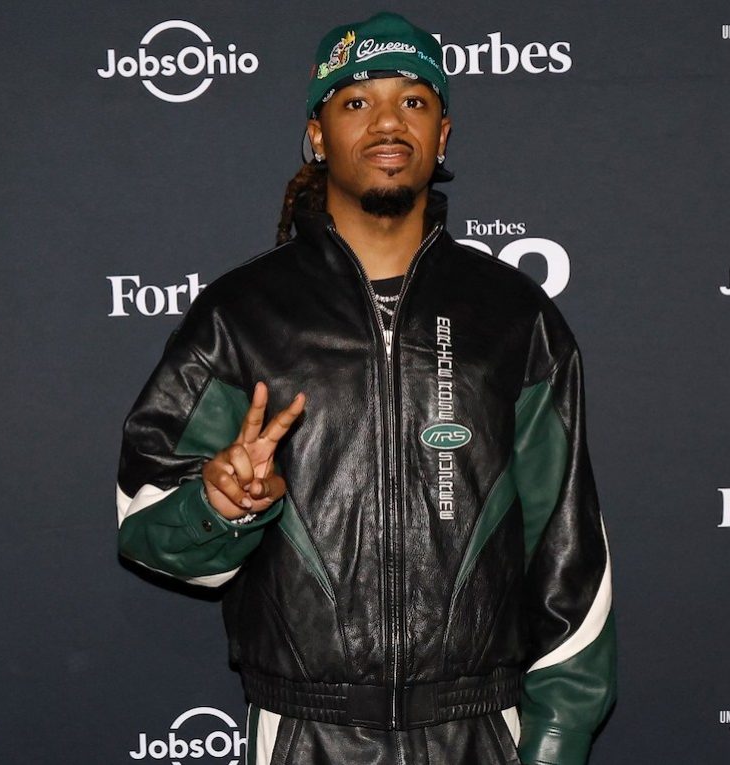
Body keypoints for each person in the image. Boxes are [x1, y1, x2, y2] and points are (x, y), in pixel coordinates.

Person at [116, 11, 615, 764]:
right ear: (317, 136)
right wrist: (218, 510)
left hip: (481, 733)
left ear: (442, 136)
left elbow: (568, 550)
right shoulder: (242, 315)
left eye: (413, 101)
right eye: (357, 101)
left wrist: (554, 743)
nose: (387, 122)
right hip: (306, 735)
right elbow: (144, 522)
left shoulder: (514, 317)